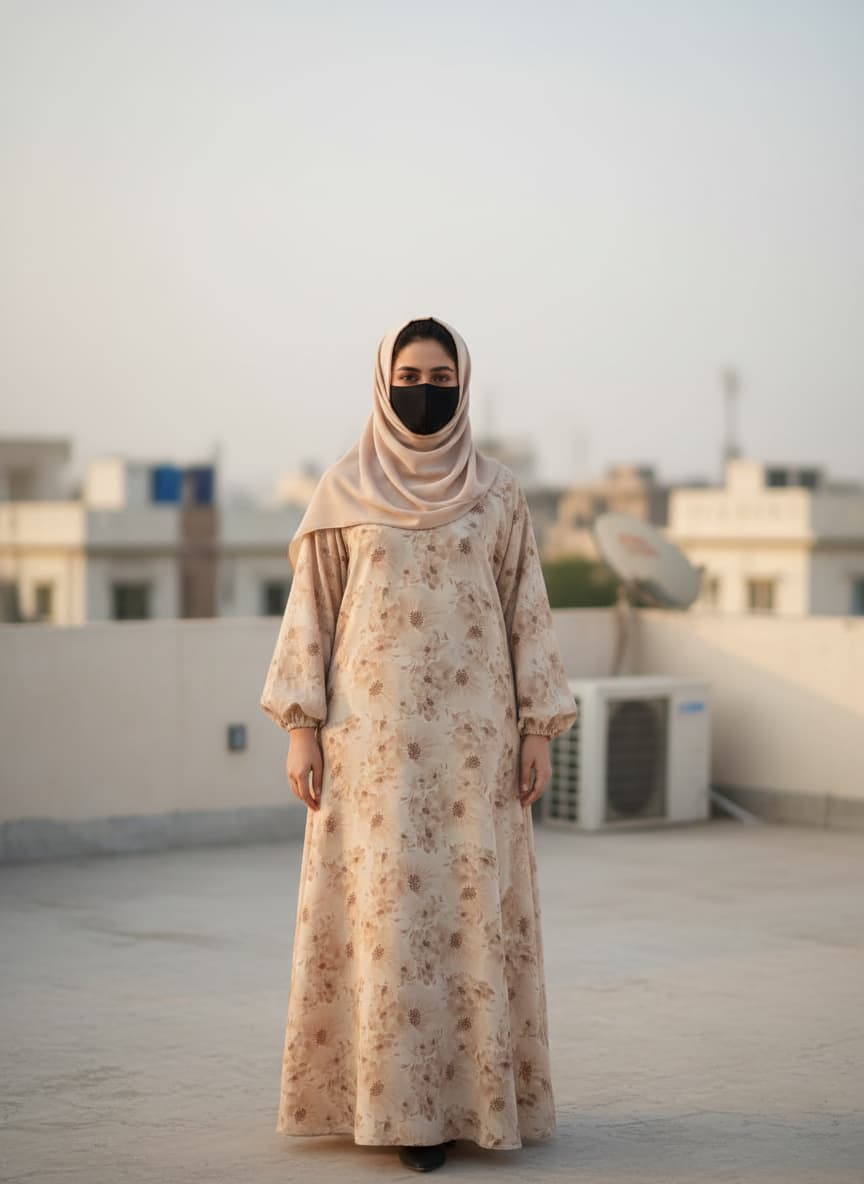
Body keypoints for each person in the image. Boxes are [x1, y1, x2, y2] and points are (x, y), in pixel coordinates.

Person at [259, 314, 577, 1173]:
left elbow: (526, 613)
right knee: (388, 925)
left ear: (462, 385)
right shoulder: (343, 492)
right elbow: (312, 616)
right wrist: (301, 729)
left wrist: (538, 729)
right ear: (383, 380)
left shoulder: (499, 495)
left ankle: (469, 1106)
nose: (425, 392)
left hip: (474, 757)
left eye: (441, 378)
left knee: (468, 928)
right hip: (372, 760)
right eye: (411, 375)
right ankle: (400, 1115)